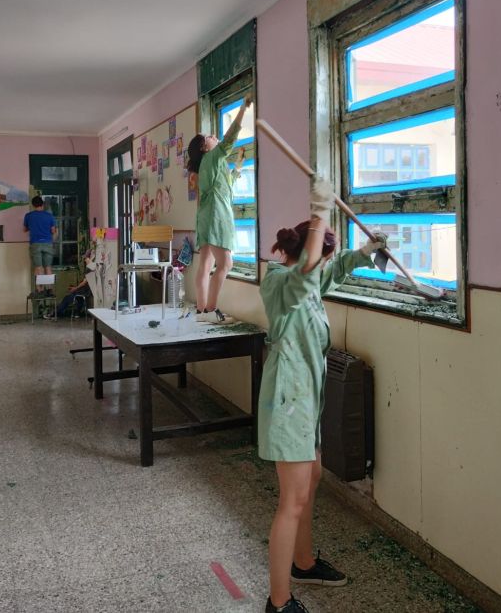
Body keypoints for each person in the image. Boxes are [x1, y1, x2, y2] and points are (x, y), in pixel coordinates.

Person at [258, 177, 386, 613]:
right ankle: (279, 601)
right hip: (289, 402)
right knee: (291, 501)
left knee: (308, 483)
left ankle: (304, 562)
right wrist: (320, 213)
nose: (321, 267)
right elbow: (309, 272)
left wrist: (364, 254)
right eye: (318, 257)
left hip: (307, 401)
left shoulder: (310, 282)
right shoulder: (281, 283)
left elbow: (326, 269)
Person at [187, 95, 252, 323]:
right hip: (215, 215)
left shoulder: (210, 164)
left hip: (205, 216)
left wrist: (239, 166)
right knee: (226, 264)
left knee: (205, 265)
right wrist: (243, 109)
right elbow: (230, 138)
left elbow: (228, 183)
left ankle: (202, 309)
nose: (214, 137)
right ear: (206, 147)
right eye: (210, 137)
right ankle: (212, 311)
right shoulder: (213, 157)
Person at [23, 196, 57, 295]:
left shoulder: (28, 216)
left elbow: (24, 229)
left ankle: (40, 290)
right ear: (42, 204)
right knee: (48, 267)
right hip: (47, 243)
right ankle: (50, 289)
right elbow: (53, 230)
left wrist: (33, 227)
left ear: (33, 205)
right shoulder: (49, 216)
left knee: (38, 267)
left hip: (35, 244)